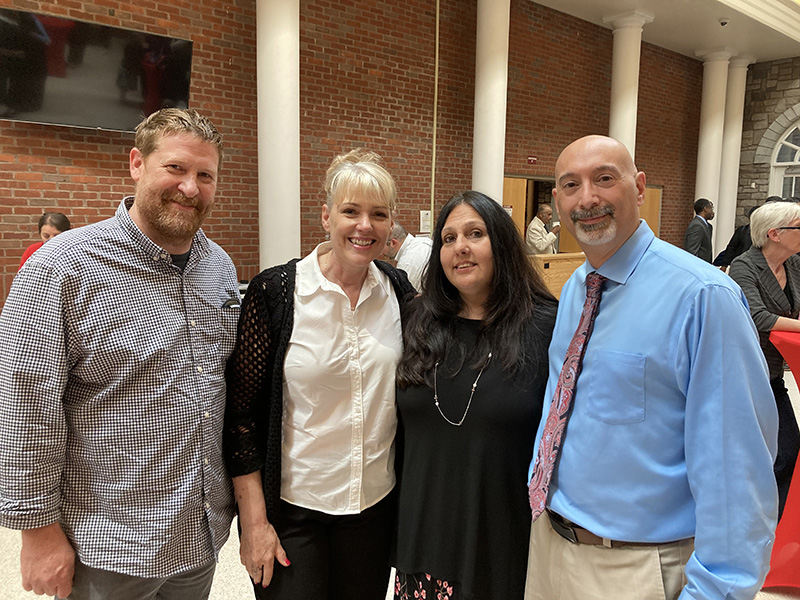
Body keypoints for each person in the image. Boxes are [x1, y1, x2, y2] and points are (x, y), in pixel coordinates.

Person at [0, 108, 239, 600]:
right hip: (108, 547)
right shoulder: (62, 267)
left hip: (199, 536)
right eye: (175, 168)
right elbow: (23, 406)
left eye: (204, 175)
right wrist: (37, 531)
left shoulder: (217, 267)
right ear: (136, 163)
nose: (190, 187)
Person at [525, 135, 778, 600]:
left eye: (604, 178)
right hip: (549, 549)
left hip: (637, 568)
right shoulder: (578, 288)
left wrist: (716, 590)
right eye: (570, 185)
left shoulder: (702, 297)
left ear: (639, 188)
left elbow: (737, 469)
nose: (588, 198)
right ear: (557, 200)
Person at [224, 148, 415, 599]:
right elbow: (241, 417)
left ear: (390, 226)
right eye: (351, 211)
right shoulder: (276, 292)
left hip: (374, 509)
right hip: (295, 513)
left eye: (378, 214)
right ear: (326, 216)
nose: (364, 226)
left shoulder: (399, 292)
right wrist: (254, 525)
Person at [392, 191, 557, 600]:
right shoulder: (417, 320)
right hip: (423, 544)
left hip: (503, 545)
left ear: (500, 243)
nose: (460, 247)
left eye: (475, 233)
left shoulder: (545, 327)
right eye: (448, 239)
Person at [729, 201, 800, 520]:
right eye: (797, 227)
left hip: (773, 372)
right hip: (744, 373)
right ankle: (750, 515)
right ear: (775, 233)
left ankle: (774, 519)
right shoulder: (745, 265)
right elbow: (757, 315)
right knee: (771, 451)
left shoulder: (794, 264)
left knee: (787, 448)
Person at [384, 221, 433, 290]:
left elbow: (406, 298)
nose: (380, 251)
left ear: (393, 243)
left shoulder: (406, 265)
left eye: (382, 245)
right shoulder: (425, 241)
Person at [712, 204, 759, 269]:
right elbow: (732, 247)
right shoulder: (742, 230)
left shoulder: (765, 232)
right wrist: (724, 264)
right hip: (741, 265)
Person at [683, 197, 714, 262]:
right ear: (705, 209)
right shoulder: (697, 225)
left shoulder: (707, 226)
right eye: (711, 208)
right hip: (699, 266)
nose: (712, 212)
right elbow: (692, 251)